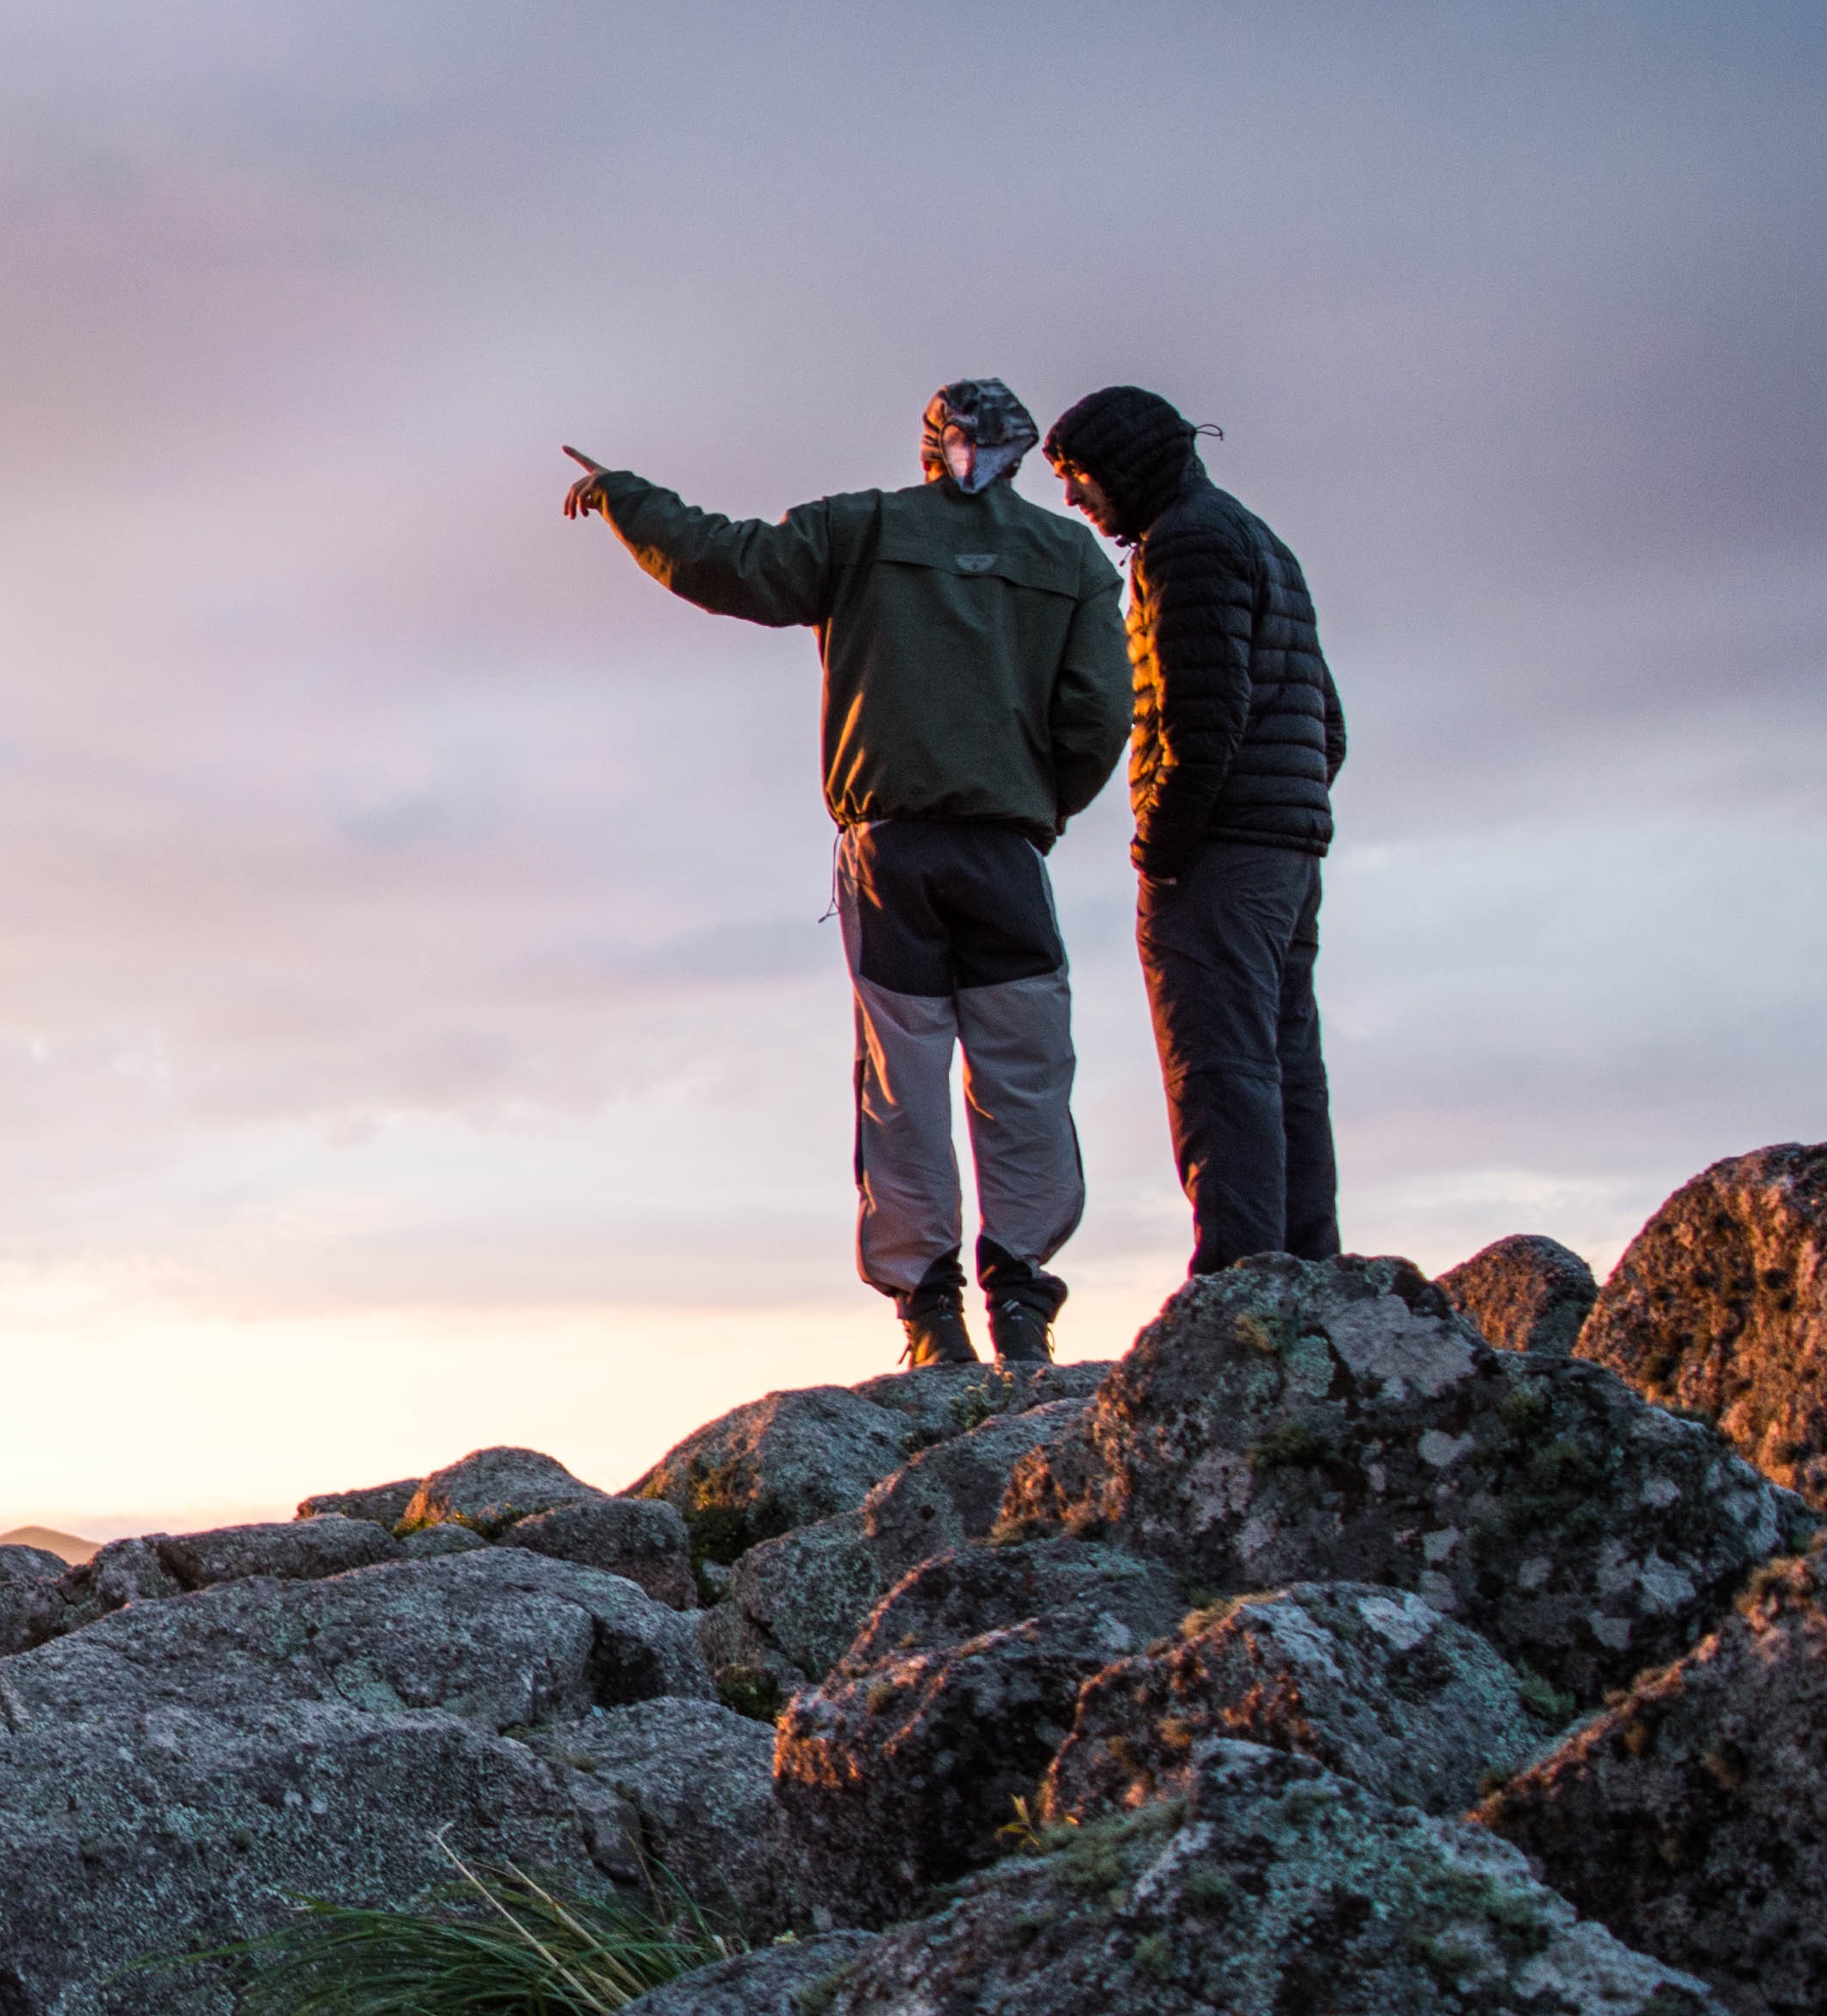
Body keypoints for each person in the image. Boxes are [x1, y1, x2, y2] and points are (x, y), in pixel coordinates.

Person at [562, 382, 1128, 1370]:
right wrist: (1039, 807)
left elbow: (723, 560)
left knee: (902, 1074)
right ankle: (1024, 1302)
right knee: (1026, 1071)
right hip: (1004, 849)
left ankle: (930, 1312)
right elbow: (1097, 715)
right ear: (1023, 451)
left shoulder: (860, 528)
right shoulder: (1070, 557)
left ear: (927, 447)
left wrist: (623, 496)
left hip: (888, 846)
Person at [1042, 385, 1346, 1274]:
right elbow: (1327, 723)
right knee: (1287, 1065)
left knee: (1220, 1072)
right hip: (1286, 851)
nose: (1072, 499)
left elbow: (1198, 721)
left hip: (1217, 859)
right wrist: (1289, 815)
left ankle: (1239, 1286)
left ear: (1128, 467)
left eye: (1079, 476)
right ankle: (1308, 1277)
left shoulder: (1188, 544)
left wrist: (1160, 850)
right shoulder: (1256, 536)